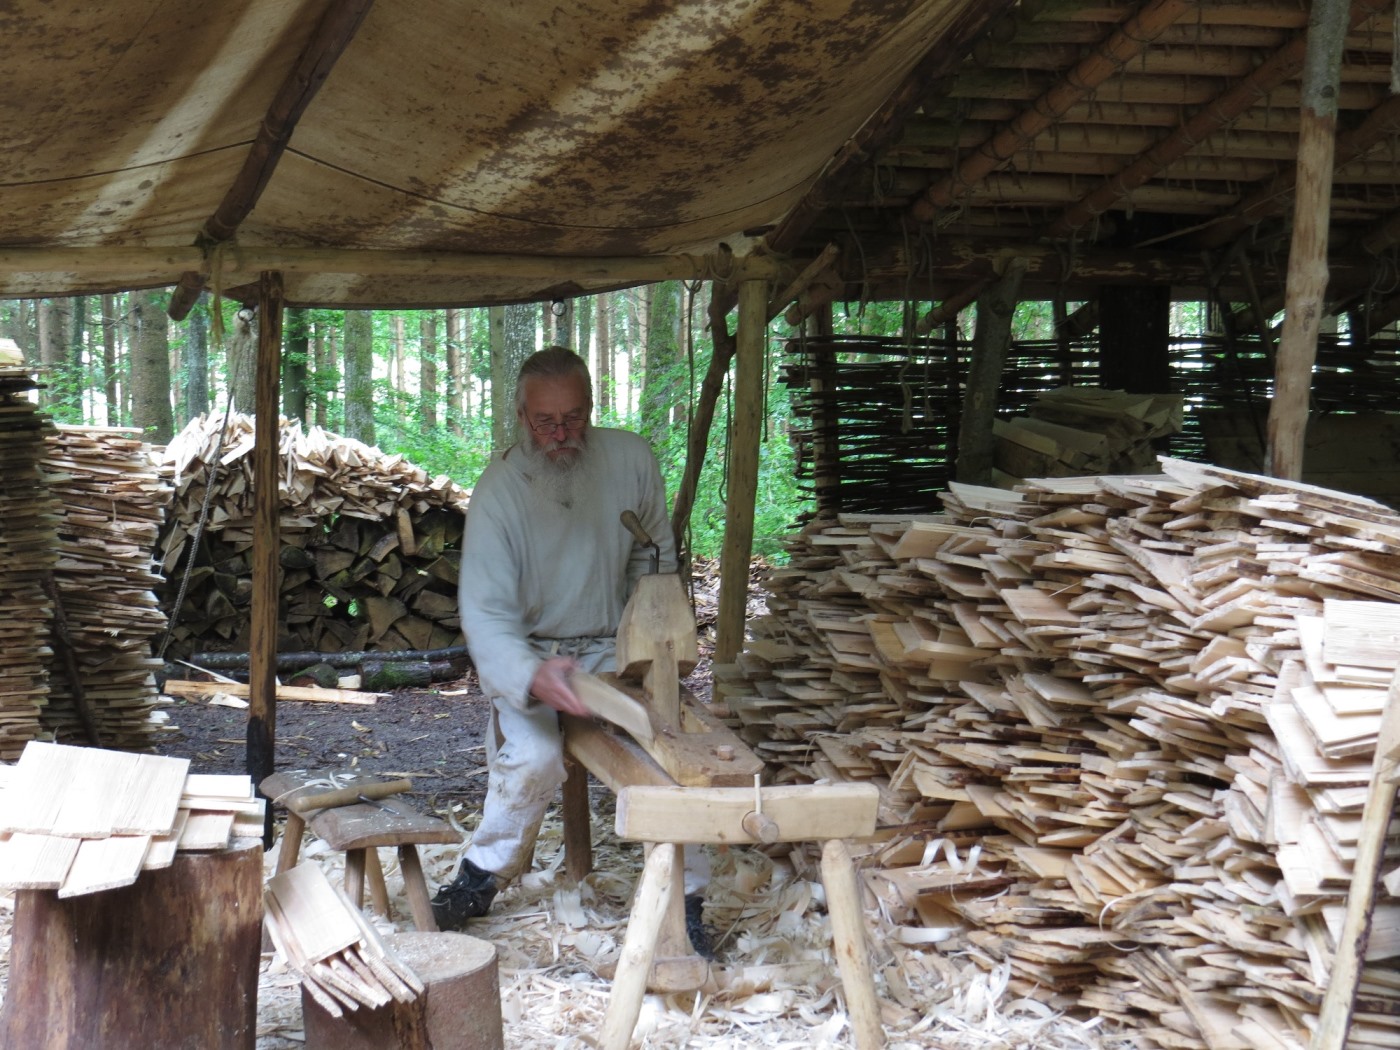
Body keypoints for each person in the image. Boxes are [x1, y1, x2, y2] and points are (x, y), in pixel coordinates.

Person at [435, 346, 712, 947]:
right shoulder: (500, 489)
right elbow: (485, 610)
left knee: (674, 749)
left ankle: (688, 901)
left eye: (574, 418)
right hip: (532, 654)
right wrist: (532, 675)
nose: (562, 434)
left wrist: (647, 643)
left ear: (591, 406)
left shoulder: (630, 458)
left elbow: (652, 557)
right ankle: (480, 877)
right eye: (545, 422)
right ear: (521, 416)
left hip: (614, 648)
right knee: (533, 759)